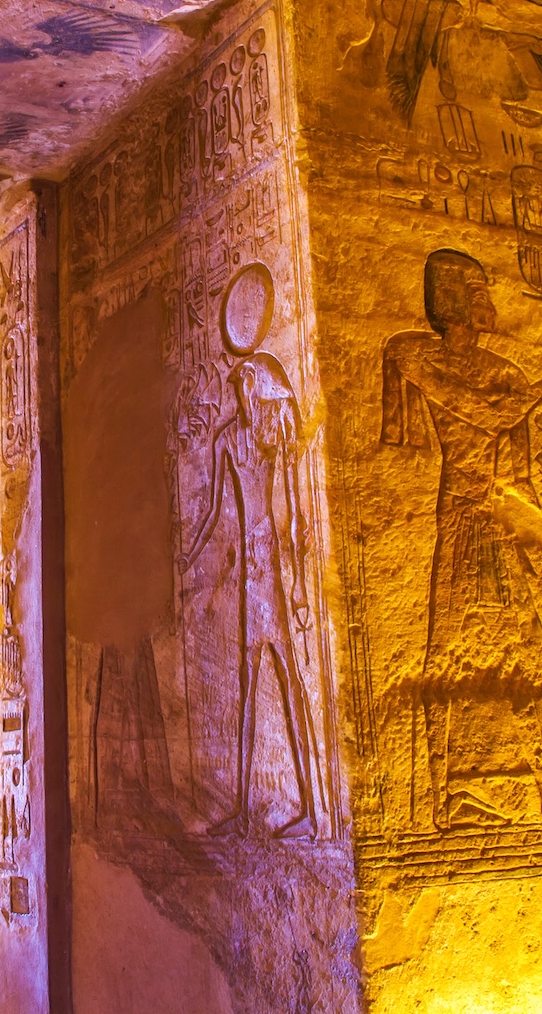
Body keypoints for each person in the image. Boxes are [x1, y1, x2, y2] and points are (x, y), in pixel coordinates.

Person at [382, 249, 542, 826]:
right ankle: (462, 789)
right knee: (461, 645)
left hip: (496, 519)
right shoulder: (416, 356)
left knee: (525, 645)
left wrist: (541, 538)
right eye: (478, 294)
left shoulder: (506, 374)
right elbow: (480, 413)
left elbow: (518, 469)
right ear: (455, 303)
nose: (489, 305)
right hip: (460, 514)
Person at [182, 263, 321, 838]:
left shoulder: (272, 442)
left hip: (273, 573)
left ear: (259, 391)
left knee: (287, 684)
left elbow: (290, 517)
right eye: (235, 385)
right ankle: (245, 805)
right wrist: (189, 561)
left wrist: (296, 587)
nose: (237, 391)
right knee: (247, 686)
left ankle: (310, 806)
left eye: (244, 385)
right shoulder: (228, 441)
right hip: (250, 575)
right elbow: (214, 509)